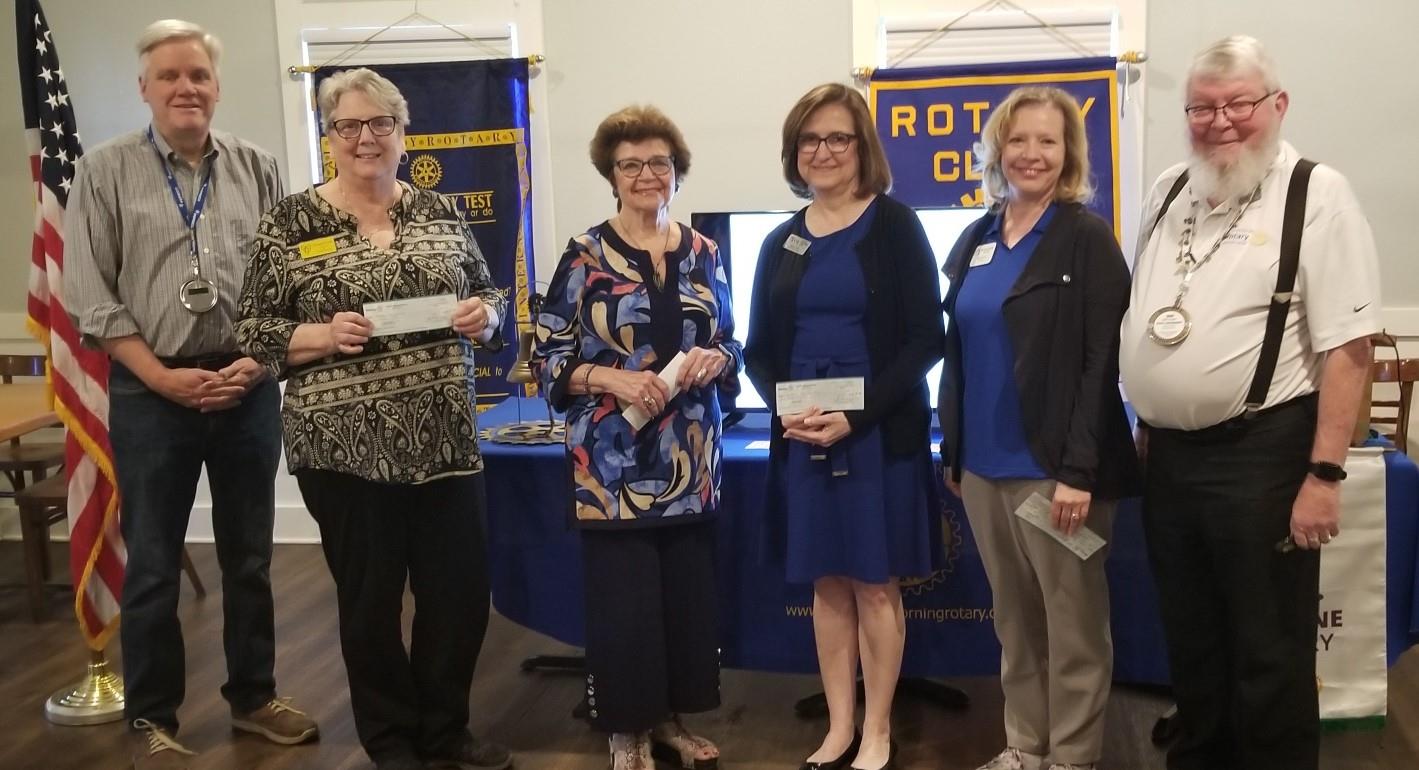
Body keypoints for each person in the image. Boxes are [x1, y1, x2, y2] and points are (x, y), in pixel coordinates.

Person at [235, 68, 511, 770]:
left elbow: (491, 295)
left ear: (402, 133)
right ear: (329, 136)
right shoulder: (289, 223)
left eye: (381, 123)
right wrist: (323, 335)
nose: (366, 138)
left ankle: (445, 731)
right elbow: (254, 331)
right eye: (349, 125)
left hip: (446, 441)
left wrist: (485, 316)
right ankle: (391, 741)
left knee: (458, 597)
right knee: (371, 605)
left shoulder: (440, 211)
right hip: (343, 452)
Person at [1119, 36, 1381, 770]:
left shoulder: (1316, 193)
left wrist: (1323, 476)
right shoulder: (1169, 188)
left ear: (1278, 104)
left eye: (1238, 104)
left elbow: (1349, 348)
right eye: (1201, 108)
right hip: (1169, 457)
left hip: (1262, 456)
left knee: (1269, 649)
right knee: (1192, 639)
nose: (1220, 122)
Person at [63, 19, 317, 770]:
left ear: (216, 86)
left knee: (249, 559)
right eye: (170, 76)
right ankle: (152, 717)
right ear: (144, 88)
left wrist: (257, 362)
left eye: (198, 75)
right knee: (152, 565)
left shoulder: (259, 168)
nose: (186, 88)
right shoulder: (103, 171)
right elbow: (90, 297)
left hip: (246, 386)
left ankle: (254, 697)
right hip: (152, 392)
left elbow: (287, 282)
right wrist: (159, 376)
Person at [937, 86, 1141, 770]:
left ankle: (1073, 756)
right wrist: (954, 451)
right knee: (1014, 621)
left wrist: (1078, 472)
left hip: (1056, 475)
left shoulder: (1085, 239)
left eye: (1047, 141)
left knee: (1073, 623)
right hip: (982, 471)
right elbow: (958, 353)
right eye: (1017, 139)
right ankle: (1025, 745)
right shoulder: (977, 237)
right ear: (997, 150)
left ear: (1068, 153)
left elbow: (1099, 364)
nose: (1031, 153)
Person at [531, 105, 741, 770]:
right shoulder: (583, 255)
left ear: (676, 171)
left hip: (692, 460)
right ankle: (626, 731)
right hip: (610, 465)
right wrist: (610, 378)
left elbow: (731, 340)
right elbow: (547, 356)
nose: (647, 175)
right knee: (625, 607)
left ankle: (670, 721)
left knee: (683, 603)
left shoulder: (704, 252)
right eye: (631, 165)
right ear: (611, 175)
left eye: (659, 163)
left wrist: (718, 359)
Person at [744, 83, 943, 770]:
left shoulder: (895, 226)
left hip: (877, 434)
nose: (822, 151)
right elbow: (758, 350)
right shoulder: (781, 241)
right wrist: (787, 408)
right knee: (826, 584)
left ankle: (879, 728)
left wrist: (854, 416)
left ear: (862, 148)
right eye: (809, 139)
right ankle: (839, 725)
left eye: (837, 138)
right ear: (793, 151)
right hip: (803, 435)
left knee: (873, 583)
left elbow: (925, 339)